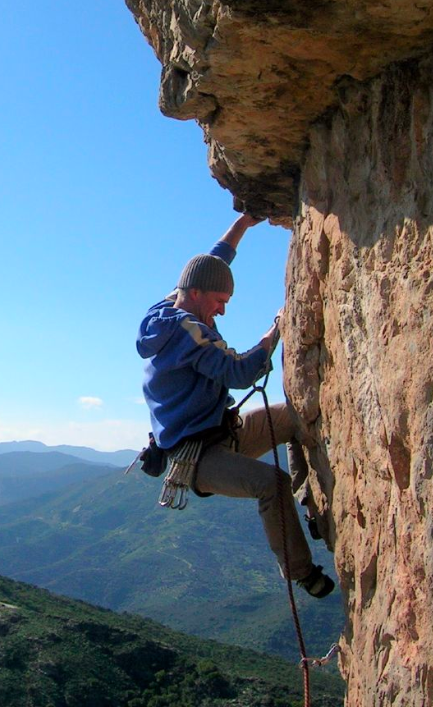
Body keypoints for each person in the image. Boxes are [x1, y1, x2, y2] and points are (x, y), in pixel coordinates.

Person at [136, 212, 334, 598]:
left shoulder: (163, 310)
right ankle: (302, 572)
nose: (223, 310)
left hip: (222, 431)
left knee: (294, 418)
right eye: (219, 301)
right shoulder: (188, 333)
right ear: (195, 295)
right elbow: (240, 372)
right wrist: (275, 332)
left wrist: (244, 224)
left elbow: (210, 264)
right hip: (198, 456)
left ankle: (307, 497)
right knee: (269, 484)